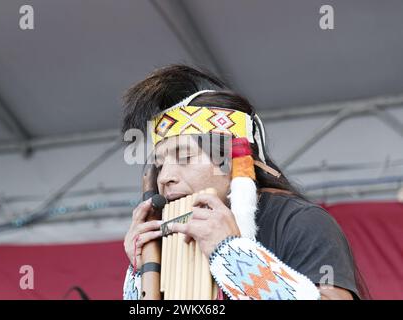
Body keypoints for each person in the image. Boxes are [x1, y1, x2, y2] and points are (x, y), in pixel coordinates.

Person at [121, 64, 367, 300]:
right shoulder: (167, 242)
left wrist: (231, 254)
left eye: (184, 156)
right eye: (160, 164)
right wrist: (141, 272)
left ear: (233, 160)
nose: (164, 177)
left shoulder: (302, 222)